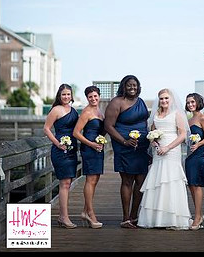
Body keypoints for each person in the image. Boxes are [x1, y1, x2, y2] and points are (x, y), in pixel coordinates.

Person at [137, 88, 192, 229]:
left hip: (172, 150)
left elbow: (182, 135)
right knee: (157, 179)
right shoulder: (156, 114)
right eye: (161, 98)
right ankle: (155, 219)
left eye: (166, 98)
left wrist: (168, 147)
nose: (164, 101)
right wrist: (154, 143)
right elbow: (152, 133)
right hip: (158, 151)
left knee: (171, 179)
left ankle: (173, 218)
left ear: (171, 99)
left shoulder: (177, 114)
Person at [103, 75, 149, 229]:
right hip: (124, 145)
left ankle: (134, 216)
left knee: (141, 181)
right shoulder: (117, 102)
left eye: (135, 85)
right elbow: (108, 126)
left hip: (141, 146)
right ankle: (125, 218)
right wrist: (124, 141)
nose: (132, 88)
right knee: (127, 180)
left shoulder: (140, 101)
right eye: (129, 85)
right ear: (124, 86)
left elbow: (145, 122)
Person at [43, 83, 79, 228]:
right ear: (59, 95)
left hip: (71, 149)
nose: (66, 97)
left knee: (68, 183)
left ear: (71, 96)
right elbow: (46, 128)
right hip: (60, 150)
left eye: (68, 94)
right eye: (63, 94)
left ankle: (61, 216)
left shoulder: (74, 110)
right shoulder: (56, 110)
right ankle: (64, 217)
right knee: (64, 183)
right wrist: (58, 143)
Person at [72, 86, 105, 228]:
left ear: (99, 96)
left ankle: (85, 211)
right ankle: (90, 214)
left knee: (95, 179)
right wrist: (91, 144)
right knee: (90, 180)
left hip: (98, 148)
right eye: (90, 97)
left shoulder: (99, 110)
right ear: (87, 98)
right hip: (89, 148)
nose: (93, 99)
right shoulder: (86, 112)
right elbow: (76, 133)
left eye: (95, 96)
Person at [184, 92, 204, 230]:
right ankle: (199, 214)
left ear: (198, 102)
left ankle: (197, 217)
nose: (190, 104)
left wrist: (199, 144)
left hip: (199, 155)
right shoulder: (189, 120)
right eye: (188, 102)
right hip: (189, 156)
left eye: (193, 102)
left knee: (196, 184)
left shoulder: (202, 118)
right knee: (191, 185)